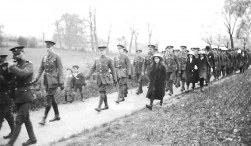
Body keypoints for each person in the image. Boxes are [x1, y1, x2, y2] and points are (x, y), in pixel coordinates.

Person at [4, 46, 37, 146]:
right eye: (15, 54)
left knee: (19, 119)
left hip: (27, 96)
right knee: (26, 119)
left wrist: (12, 67)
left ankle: (10, 144)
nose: (16, 56)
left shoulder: (28, 65)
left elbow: (22, 74)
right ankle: (33, 139)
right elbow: (10, 79)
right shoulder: (16, 65)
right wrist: (5, 69)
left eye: (18, 54)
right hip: (18, 97)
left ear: (23, 53)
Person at [32, 41, 64, 125]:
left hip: (54, 81)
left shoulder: (56, 57)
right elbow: (40, 69)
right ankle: (57, 115)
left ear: (53, 47)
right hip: (46, 81)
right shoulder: (44, 57)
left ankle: (44, 118)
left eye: (49, 47)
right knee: (51, 97)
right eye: (47, 47)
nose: (48, 48)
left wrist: (61, 81)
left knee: (48, 97)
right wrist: (36, 78)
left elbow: (60, 70)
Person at [86, 46, 117, 112]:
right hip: (99, 78)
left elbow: (113, 70)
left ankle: (99, 107)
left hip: (105, 78)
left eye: (102, 50)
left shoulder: (109, 59)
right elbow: (93, 68)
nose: (101, 52)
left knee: (101, 91)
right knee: (103, 92)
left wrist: (115, 79)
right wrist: (88, 75)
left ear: (105, 51)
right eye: (100, 51)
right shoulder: (97, 60)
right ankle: (106, 105)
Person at [0, 55, 15, 139]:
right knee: (8, 115)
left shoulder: (9, 73)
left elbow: (7, 83)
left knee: (0, 117)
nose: (3, 67)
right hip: (3, 99)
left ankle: (14, 131)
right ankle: (14, 131)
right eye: (2, 65)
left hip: (4, 98)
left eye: (5, 65)